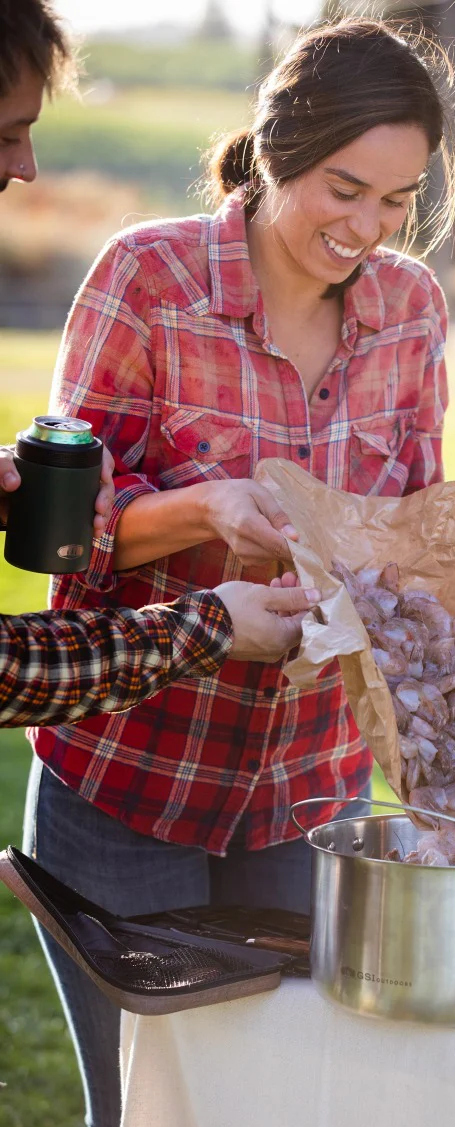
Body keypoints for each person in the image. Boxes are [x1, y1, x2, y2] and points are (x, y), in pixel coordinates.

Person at [22, 14, 455, 1127]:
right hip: (132, 785)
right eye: (343, 189)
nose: (366, 228)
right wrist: (206, 510)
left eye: (396, 200)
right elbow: (64, 543)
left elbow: (404, 531)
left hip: (307, 790)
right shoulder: (151, 278)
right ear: (277, 152)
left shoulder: (410, 312)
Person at [0, 1, 319, 729]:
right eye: (8, 132)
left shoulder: (413, 304)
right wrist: (208, 626)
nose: (26, 166)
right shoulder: (148, 274)